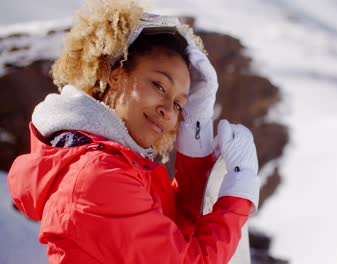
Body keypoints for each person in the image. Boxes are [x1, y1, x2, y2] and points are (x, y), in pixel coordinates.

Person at [7, 0, 260, 263]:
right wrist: (239, 193)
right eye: (159, 86)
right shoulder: (98, 176)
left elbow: (176, 232)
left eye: (179, 104)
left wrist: (197, 136)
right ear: (116, 75)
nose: (168, 112)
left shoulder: (118, 166)